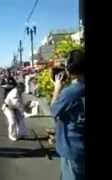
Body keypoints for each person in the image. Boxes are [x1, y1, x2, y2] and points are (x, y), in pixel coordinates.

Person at [51, 50, 85, 180]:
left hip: (73, 148)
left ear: (70, 69)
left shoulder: (70, 93)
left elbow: (54, 110)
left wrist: (57, 88)